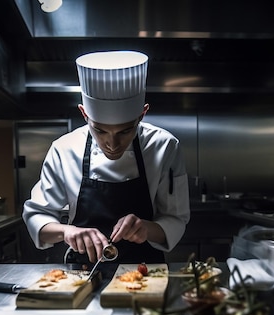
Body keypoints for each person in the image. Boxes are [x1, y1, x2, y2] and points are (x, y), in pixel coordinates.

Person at [22, 50, 190, 265]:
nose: (112, 144)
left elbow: (175, 219)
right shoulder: (64, 149)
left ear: (142, 114)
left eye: (125, 131)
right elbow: (37, 217)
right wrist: (67, 232)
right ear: (84, 114)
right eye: (100, 131)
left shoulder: (164, 146)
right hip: (81, 271)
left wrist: (145, 228)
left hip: (145, 272)